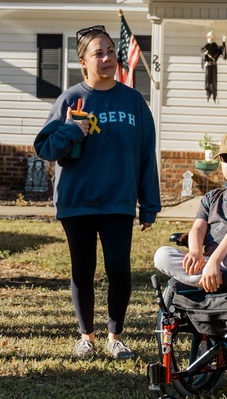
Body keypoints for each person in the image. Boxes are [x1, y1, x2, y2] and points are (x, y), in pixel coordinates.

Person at [34, 25, 160, 361]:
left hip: (118, 200)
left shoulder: (133, 101)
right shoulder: (70, 99)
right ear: (83, 62)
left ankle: (115, 337)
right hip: (77, 201)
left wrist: (150, 204)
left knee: (119, 268)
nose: (107, 58)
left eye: (110, 52)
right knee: (83, 269)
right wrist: (71, 131)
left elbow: (148, 154)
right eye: (98, 53)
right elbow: (45, 148)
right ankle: (86, 337)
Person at [154, 127, 227, 292]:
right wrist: (195, 252)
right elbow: (198, 227)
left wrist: (215, 261)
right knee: (161, 255)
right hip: (210, 262)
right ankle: (215, 278)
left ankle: (211, 277)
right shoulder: (212, 197)